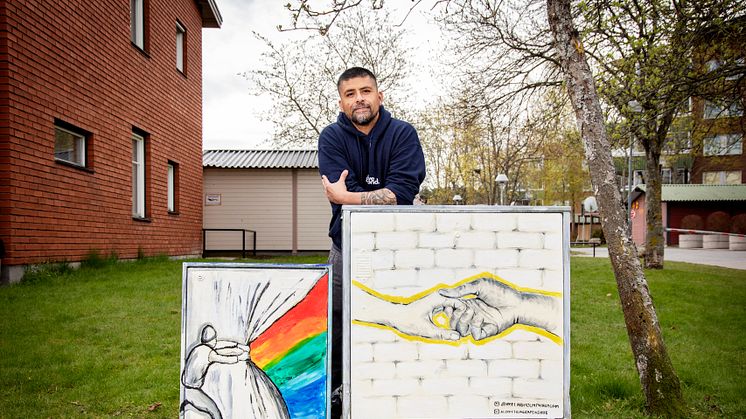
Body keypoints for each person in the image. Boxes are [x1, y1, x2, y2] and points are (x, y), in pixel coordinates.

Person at [318, 66, 426, 417]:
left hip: (396, 249)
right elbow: (369, 193)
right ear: (341, 101)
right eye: (350, 94)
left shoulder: (403, 134)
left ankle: (395, 391)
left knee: (397, 316)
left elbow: (402, 193)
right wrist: (380, 193)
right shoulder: (331, 138)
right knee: (335, 322)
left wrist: (349, 197)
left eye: (365, 91)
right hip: (344, 247)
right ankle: (336, 392)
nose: (359, 99)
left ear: (379, 96)